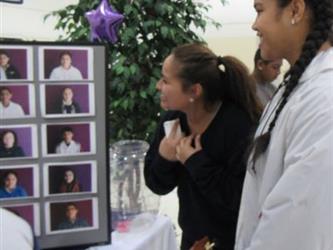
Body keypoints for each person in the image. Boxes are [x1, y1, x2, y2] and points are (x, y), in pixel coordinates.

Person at [235, 0, 333, 250]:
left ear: (295, 10)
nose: (255, 25)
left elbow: (296, 223)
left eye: (259, 11)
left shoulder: (325, 98)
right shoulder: (296, 87)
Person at [144, 43, 262, 250]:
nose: (158, 86)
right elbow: (157, 184)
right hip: (193, 241)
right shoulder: (173, 120)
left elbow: (240, 199)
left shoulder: (238, 126)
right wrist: (164, 157)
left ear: (194, 91)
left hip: (234, 242)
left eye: (166, 80)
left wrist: (196, 162)